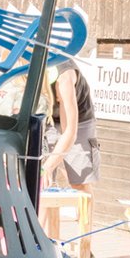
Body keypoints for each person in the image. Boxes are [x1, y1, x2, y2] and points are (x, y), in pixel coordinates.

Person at [44, 58, 100, 189]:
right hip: (48, 119)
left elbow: (69, 132)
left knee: (79, 180)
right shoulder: (24, 67)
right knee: (42, 182)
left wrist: (47, 167)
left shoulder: (64, 78)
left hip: (78, 122)